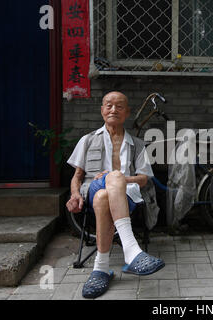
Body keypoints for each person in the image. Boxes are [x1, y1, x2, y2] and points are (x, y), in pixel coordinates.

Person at [66, 91, 164, 299]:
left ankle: (101, 268)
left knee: (106, 194)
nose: (113, 109)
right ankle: (132, 250)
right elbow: (77, 176)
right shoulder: (88, 140)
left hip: (125, 196)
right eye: (108, 105)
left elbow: (144, 178)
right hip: (92, 189)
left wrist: (119, 179)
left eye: (119, 106)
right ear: (102, 110)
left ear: (127, 113)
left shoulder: (136, 144)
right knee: (107, 185)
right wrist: (74, 195)